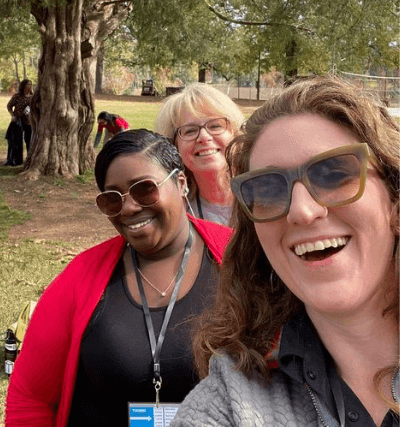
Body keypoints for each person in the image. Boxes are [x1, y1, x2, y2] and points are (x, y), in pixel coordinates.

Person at [171, 76, 399, 427]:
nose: (303, 212)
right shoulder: (229, 404)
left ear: (394, 200)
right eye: (268, 188)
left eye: (335, 173)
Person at [5, 129, 232, 427]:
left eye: (144, 189)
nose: (129, 207)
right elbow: (30, 397)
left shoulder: (240, 261)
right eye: (112, 199)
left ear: (180, 184)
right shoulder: (80, 278)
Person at [154, 83, 244, 225]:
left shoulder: (265, 198)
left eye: (215, 126)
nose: (203, 137)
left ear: (235, 134)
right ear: (174, 146)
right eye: (189, 131)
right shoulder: (176, 217)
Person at [5, 79, 33, 166]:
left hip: (29, 122)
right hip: (18, 121)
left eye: (31, 84)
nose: (30, 86)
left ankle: (30, 159)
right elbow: (9, 106)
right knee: (16, 141)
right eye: (28, 84)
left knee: (29, 141)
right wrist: (13, 115)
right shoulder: (17, 96)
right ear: (23, 86)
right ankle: (15, 160)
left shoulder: (33, 97)